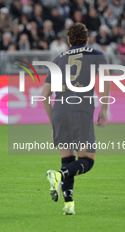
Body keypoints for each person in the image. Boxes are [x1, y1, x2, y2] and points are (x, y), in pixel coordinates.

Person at [41, 23, 111, 215]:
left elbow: (44, 95)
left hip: (60, 111)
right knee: (87, 160)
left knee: (67, 159)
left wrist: (52, 123)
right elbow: (105, 81)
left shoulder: (57, 60)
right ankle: (58, 175)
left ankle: (69, 204)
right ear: (87, 39)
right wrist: (104, 109)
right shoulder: (97, 55)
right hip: (81, 110)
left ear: (69, 41)